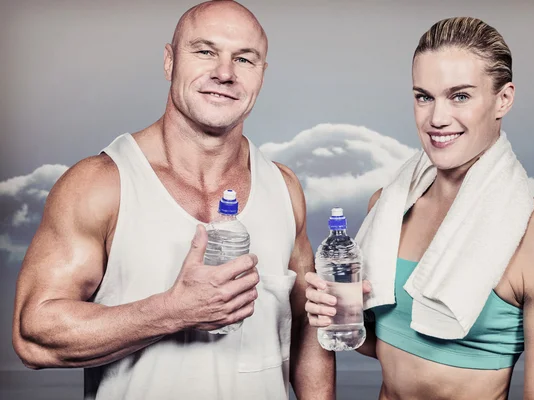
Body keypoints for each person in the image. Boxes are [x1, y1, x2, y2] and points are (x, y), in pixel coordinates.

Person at [12, 1, 334, 399]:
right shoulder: (101, 184)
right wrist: (171, 312)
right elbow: (34, 337)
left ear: (262, 75)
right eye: (205, 51)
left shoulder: (284, 188)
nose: (225, 73)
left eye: (245, 59)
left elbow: (309, 331)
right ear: (169, 61)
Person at [305, 17, 534, 400]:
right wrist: (339, 316)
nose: (437, 119)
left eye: (460, 96)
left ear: (503, 99)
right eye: (424, 96)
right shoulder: (388, 208)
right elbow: (392, 344)